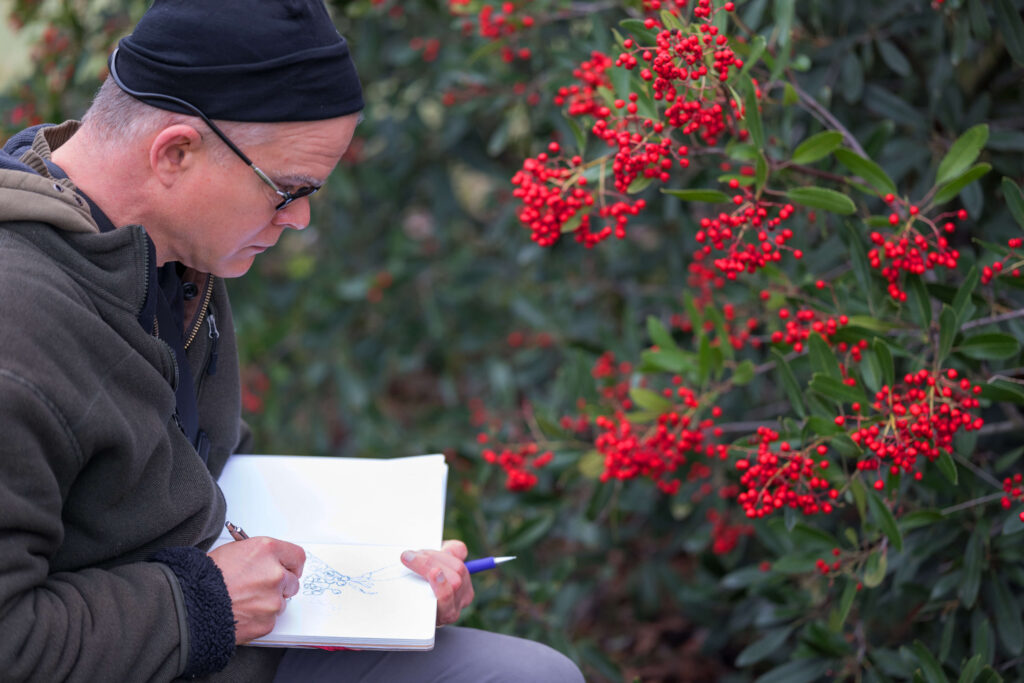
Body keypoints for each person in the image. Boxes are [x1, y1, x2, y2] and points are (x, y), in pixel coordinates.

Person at [0, 1, 584, 681]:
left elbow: (199, 474)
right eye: (287, 190)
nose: (301, 218)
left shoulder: (170, 252)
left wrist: (375, 570)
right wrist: (201, 603)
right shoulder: (21, 331)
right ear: (176, 152)